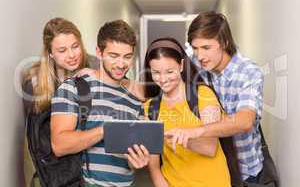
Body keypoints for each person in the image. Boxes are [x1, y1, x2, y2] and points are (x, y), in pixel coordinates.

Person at [166, 11, 264, 184]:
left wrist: (197, 131)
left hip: (243, 172)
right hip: (208, 169)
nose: (199, 55)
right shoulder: (197, 65)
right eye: (195, 48)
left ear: (224, 42)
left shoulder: (248, 72)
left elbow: (244, 122)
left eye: (206, 48)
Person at [50, 20, 150, 187]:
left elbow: (130, 158)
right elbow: (59, 144)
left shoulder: (135, 98)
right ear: (99, 52)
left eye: (127, 56)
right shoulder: (74, 87)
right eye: (113, 56)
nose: (121, 64)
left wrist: (137, 161)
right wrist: (107, 129)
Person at [143, 37, 231, 187]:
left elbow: (209, 147)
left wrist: (176, 136)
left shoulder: (203, 95)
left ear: (181, 65)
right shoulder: (150, 108)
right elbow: (154, 166)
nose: (163, 79)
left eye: (169, 71)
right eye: (156, 72)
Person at [22, 17, 99, 187]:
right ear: (50, 53)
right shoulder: (35, 83)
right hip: (59, 171)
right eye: (62, 50)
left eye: (75, 46)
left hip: (96, 164)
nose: (72, 55)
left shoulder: (97, 67)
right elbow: (35, 138)